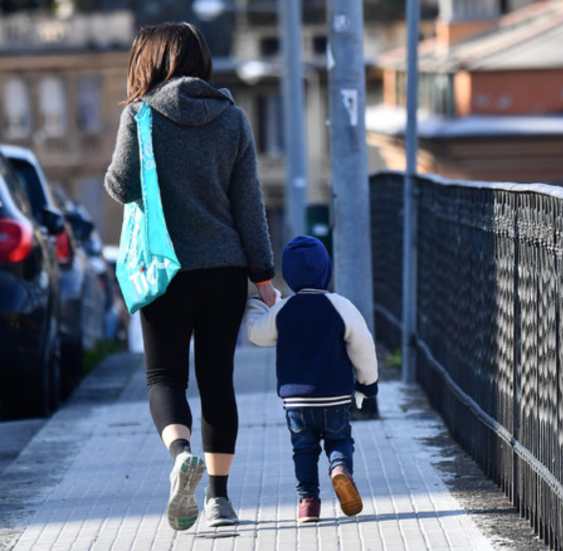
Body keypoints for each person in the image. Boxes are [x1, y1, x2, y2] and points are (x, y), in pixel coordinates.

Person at [104, 22, 277, 530]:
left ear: (151, 61)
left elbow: (120, 184)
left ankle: (181, 455)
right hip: (224, 271)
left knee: (164, 377)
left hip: (165, 268)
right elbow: (249, 205)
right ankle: (220, 501)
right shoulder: (232, 118)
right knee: (217, 379)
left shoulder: (141, 115)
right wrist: (263, 274)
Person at [245, 236, 379, 523]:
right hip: (336, 395)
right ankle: (340, 469)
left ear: (288, 275)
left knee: (303, 450)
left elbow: (257, 335)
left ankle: (307, 503)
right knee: (339, 439)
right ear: (326, 270)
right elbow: (363, 345)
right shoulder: (340, 305)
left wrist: (259, 305)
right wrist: (367, 383)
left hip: (296, 401)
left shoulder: (284, 309)